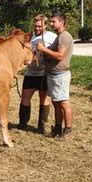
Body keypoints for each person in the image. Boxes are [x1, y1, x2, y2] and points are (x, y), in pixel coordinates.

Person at [37, 12, 74, 140]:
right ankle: (57, 129)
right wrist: (45, 52)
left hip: (60, 76)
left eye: (54, 22)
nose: (51, 24)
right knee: (56, 103)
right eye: (51, 21)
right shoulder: (59, 37)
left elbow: (60, 56)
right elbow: (52, 54)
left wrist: (44, 49)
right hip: (53, 75)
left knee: (64, 103)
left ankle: (67, 131)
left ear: (62, 22)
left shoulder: (64, 36)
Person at [18, 15, 57, 133]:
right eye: (35, 25)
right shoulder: (29, 37)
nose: (37, 28)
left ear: (45, 25)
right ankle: (22, 123)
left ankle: (41, 126)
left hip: (44, 73)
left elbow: (57, 52)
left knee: (44, 99)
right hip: (31, 72)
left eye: (40, 26)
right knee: (25, 98)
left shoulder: (53, 37)